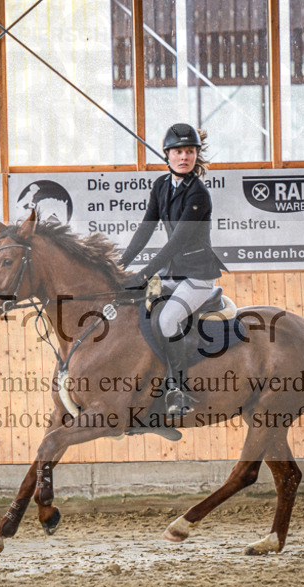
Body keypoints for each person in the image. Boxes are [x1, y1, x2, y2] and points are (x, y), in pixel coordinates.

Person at [120, 123, 226, 416]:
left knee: (167, 321)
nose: (184, 157)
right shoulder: (161, 186)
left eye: (190, 151)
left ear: (195, 155)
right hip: (172, 273)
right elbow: (145, 229)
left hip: (197, 276)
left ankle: (179, 389)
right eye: (178, 151)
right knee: (135, 310)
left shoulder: (199, 194)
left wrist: (142, 274)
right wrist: (120, 265)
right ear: (167, 155)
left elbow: (176, 242)